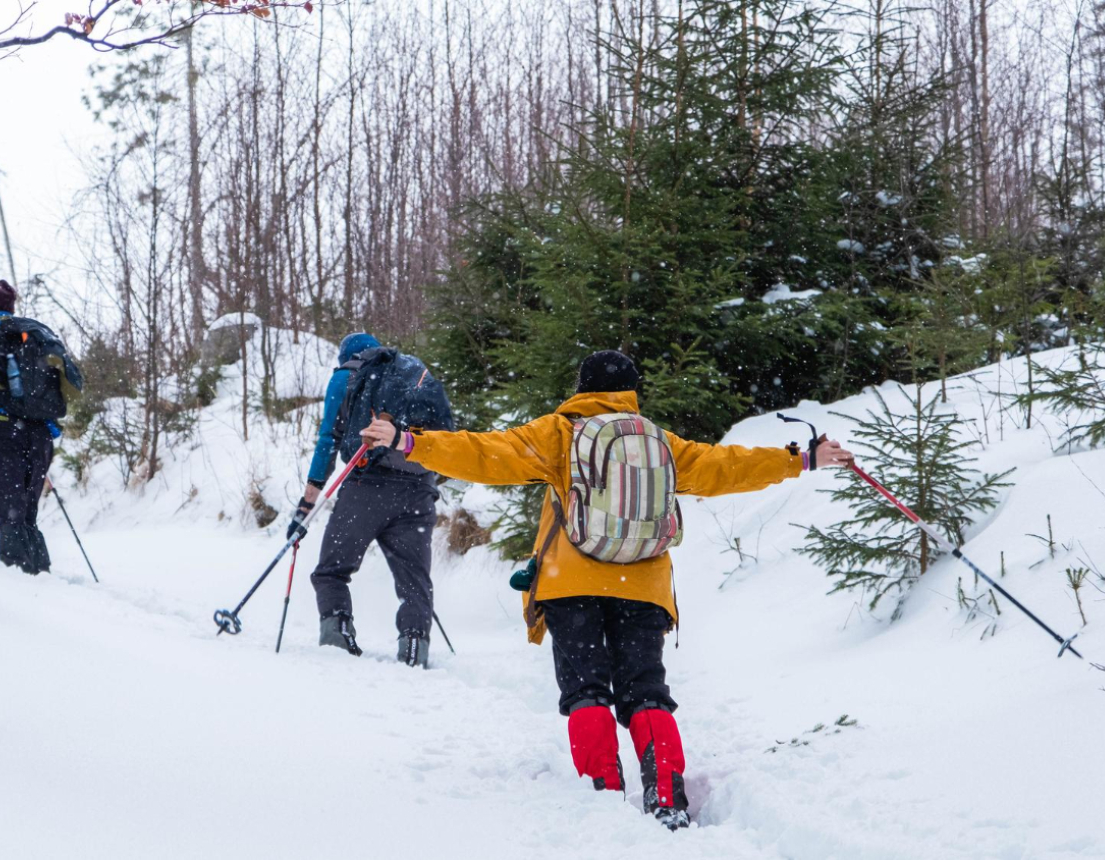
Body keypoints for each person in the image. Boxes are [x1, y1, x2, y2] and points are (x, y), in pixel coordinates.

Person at [360, 349, 854, 829]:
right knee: (647, 693)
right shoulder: (659, 441)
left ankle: (603, 794)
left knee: (586, 690)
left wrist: (409, 442)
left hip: (570, 583)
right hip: (642, 584)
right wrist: (802, 458)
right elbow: (726, 466)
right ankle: (667, 797)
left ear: (582, 389)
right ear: (631, 392)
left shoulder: (559, 433)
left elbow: (486, 453)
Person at [288, 333, 444, 667]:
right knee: (414, 582)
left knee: (331, 571)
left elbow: (328, 440)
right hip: (419, 488)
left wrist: (306, 503)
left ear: (348, 356)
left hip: (367, 488)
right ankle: (415, 649)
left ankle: (338, 643)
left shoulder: (346, 377)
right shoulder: (413, 373)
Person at [0, 280, 75, 575]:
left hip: (3, 430)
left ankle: (18, 589)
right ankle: (39, 576)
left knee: (10, 512)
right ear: (11, 305)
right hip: (41, 433)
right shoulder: (34, 333)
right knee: (27, 513)